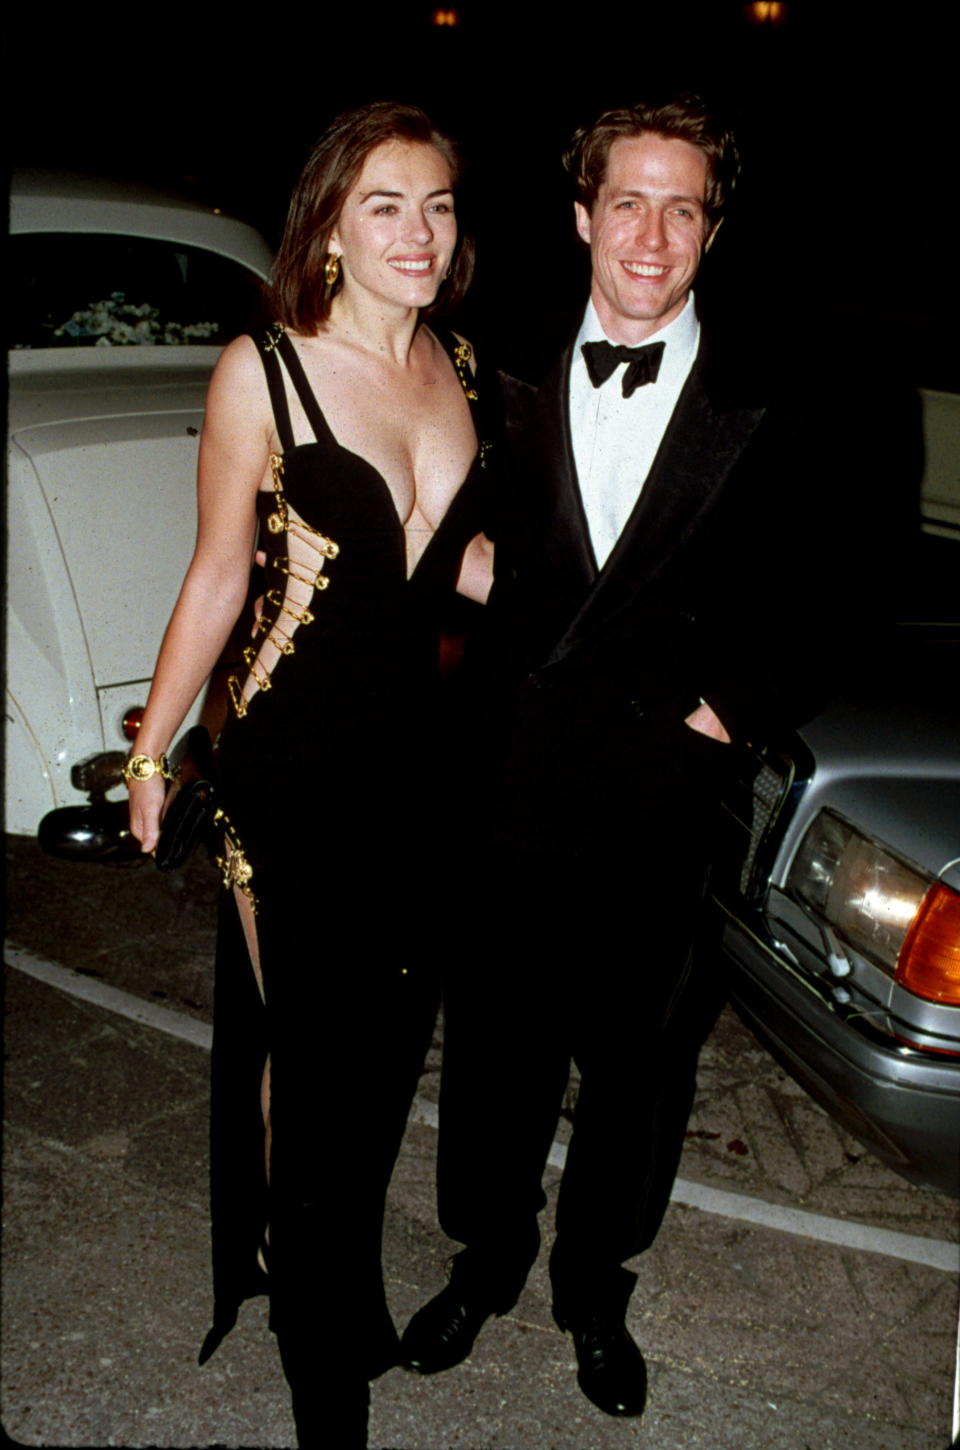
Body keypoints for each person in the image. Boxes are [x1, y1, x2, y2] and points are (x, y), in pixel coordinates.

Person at [399, 91, 865, 1421]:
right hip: (511, 779)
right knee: (492, 1053)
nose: (651, 236)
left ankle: (593, 1286)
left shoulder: (777, 391)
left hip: (665, 793)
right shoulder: (497, 357)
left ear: (712, 230)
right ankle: (484, 1260)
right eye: (627, 203)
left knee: (635, 1070)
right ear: (580, 215)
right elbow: (419, 504)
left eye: (683, 208)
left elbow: (840, 583)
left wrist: (731, 709)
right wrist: (459, 575)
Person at [126, 101, 492, 1449]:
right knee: (326, 1066)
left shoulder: (459, 361)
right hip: (290, 771)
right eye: (386, 203)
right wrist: (152, 749)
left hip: (423, 770)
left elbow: (448, 557)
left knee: (372, 1058)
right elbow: (220, 574)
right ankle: (314, 1340)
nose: (417, 230)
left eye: (440, 203)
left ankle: (314, 1259)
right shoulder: (262, 370)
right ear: (331, 224)